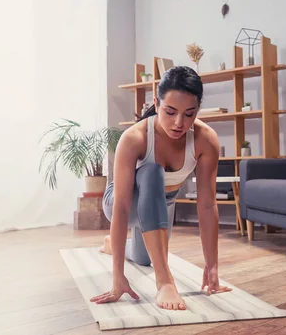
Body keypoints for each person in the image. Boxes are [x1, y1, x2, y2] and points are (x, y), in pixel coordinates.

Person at [90, 66, 232, 311]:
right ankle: (165, 282)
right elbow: (123, 207)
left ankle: (113, 244)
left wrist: (212, 266)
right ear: (156, 103)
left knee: (146, 260)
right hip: (121, 202)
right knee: (152, 171)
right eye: (170, 112)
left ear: (198, 109)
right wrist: (117, 278)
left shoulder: (205, 139)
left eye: (189, 114)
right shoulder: (135, 138)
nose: (179, 123)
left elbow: (207, 205)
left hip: (162, 204)